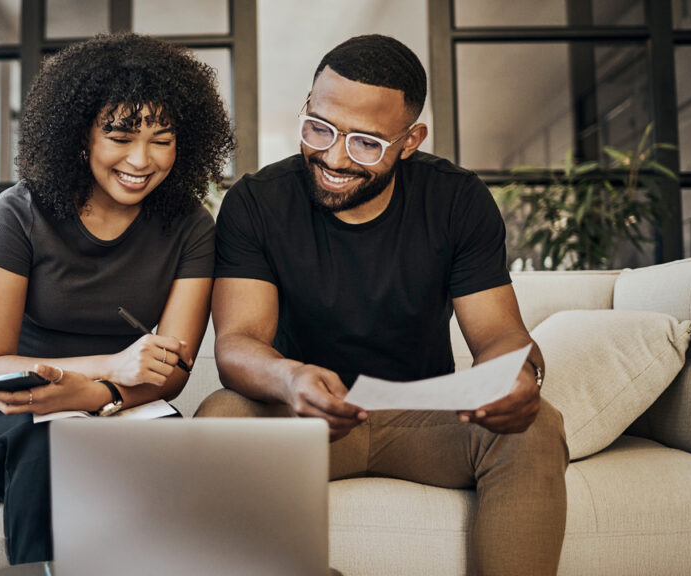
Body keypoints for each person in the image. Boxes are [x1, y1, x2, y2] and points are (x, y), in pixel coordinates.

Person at [197, 35, 568, 576]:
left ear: (410, 139)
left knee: (535, 427)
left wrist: (518, 373)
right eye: (318, 128)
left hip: (425, 418)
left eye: (366, 143)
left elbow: (498, 335)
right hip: (304, 416)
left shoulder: (456, 200)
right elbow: (237, 343)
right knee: (220, 416)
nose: (332, 156)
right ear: (306, 106)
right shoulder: (257, 202)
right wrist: (289, 379)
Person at [0, 33, 233, 565]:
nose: (142, 160)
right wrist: (111, 367)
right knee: (56, 449)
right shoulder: (19, 213)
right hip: (7, 410)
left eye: (162, 139)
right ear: (81, 137)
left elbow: (171, 372)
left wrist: (94, 396)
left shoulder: (191, 226)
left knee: (182, 458)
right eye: (120, 136)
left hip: (119, 408)